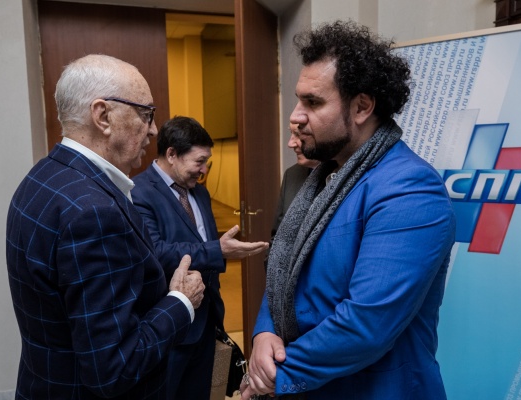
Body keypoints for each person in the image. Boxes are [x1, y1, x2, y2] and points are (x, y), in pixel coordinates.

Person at [240, 20, 456, 399]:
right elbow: (285, 274)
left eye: (313, 102)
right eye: (299, 100)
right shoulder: (322, 179)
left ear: (361, 107)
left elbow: (366, 324)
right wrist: (264, 333)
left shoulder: (411, 189)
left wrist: (274, 375)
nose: (296, 116)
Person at [6, 54, 206, 399]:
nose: (153, 129)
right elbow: (114, 369)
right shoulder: (94, 213)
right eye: (145, 114)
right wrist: (180, 302)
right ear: (103, 116)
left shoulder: (42, 176)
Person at [131, 116, 269, 400]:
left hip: (206, 321)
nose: (204, 170)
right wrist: (219, 251)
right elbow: (156, 253)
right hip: (170, 325)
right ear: (172, 154)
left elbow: (203, 246)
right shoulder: (138, 193)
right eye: (199, 161)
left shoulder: (200, 193)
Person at [270, 123, 320, 240]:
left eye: (298, 134)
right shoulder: (292, 174)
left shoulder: (348, 176)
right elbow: (277, 237)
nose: (290, 143)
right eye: (291, 133)